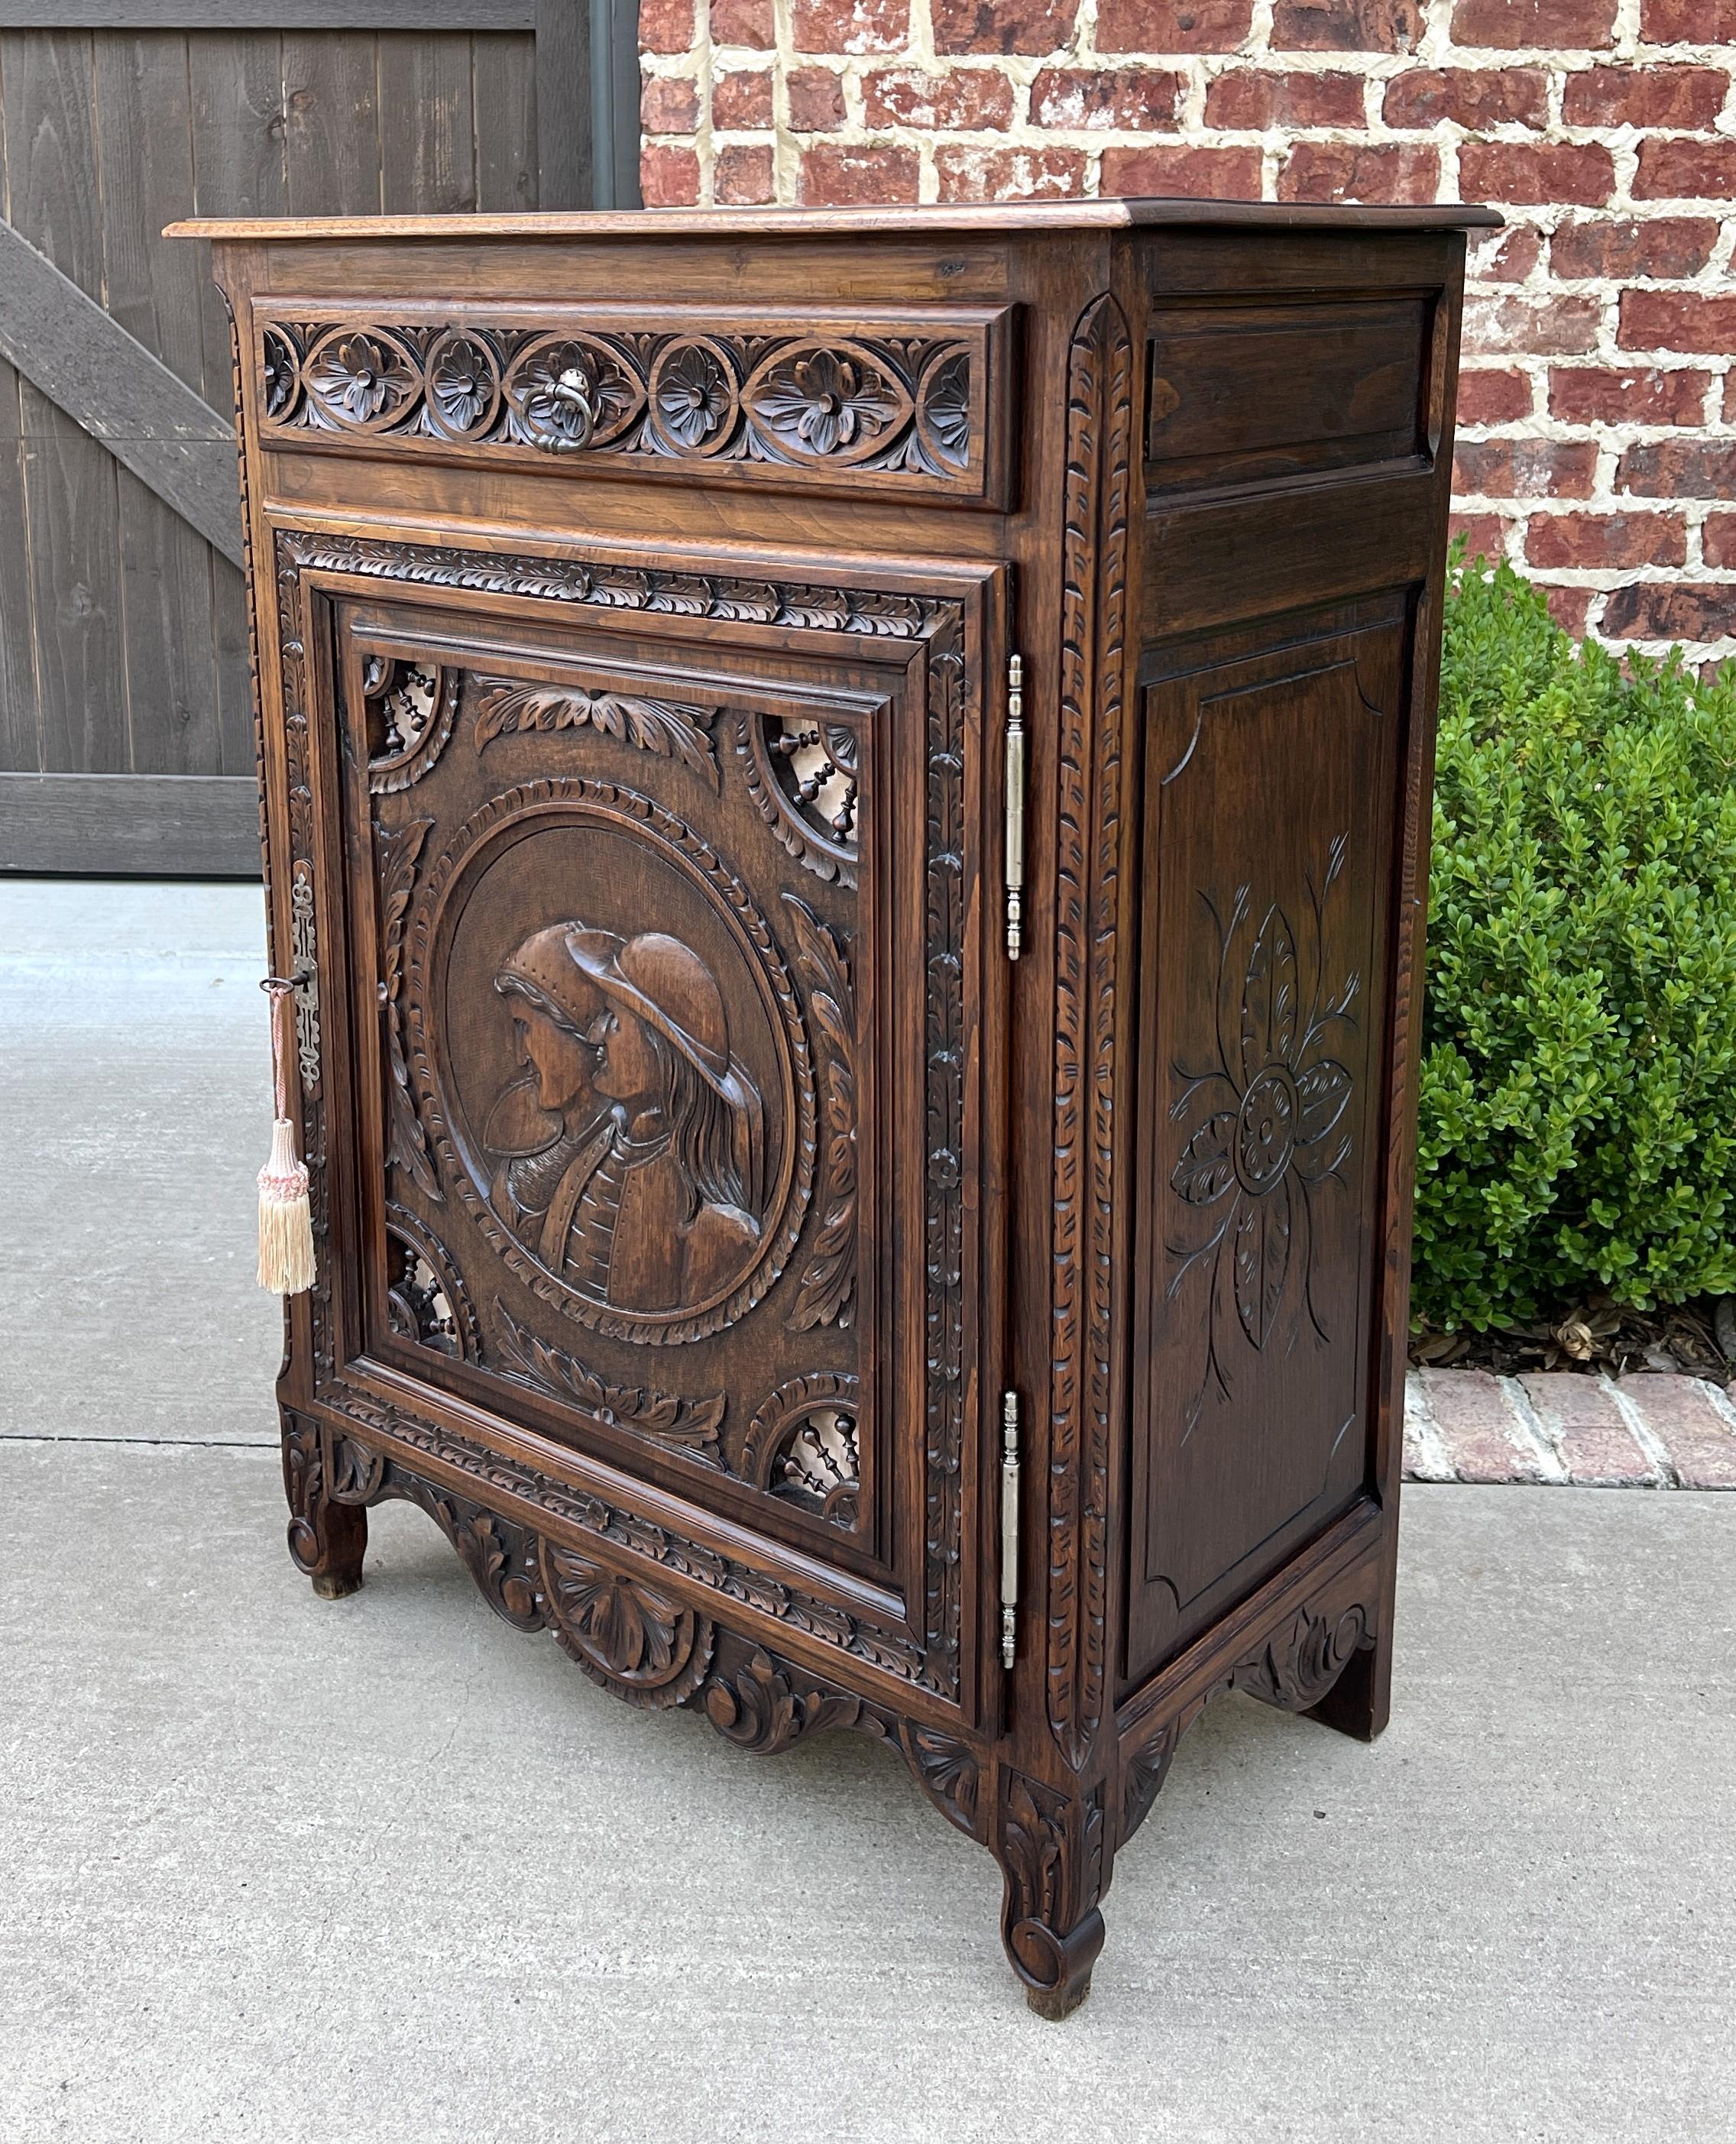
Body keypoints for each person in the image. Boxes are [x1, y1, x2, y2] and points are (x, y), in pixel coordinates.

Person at [484, 921, 764, 1313]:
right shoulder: (591, 1156)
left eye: (614, 1019)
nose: (595, 1035)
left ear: (659, 1047)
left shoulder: (715, 1232)